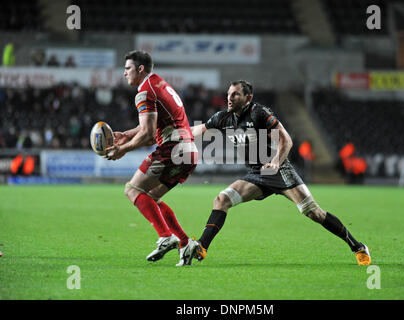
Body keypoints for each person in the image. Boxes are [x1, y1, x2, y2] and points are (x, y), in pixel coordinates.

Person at [190, 80, 371, 265]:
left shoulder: (259, 112)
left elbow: (286, 139)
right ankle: (201, 247)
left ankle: (358, 247)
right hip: (256, 174)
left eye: (236, 94)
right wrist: (173, 134)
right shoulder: (223, 118)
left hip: (279, 170)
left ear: (248, 98)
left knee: (313, 212)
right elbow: (197, 130)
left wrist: (276, 162)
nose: (230, 97)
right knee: (222, 200)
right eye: (229, 93)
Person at [105, 50, 199, 266]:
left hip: (173, 149)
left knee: (132, 189)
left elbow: (148, 135)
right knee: (152, 199)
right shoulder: (159, 84)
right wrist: (127, 135)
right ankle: (185, 244)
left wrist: (124, 149)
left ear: (140, 69)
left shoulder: (144, 91)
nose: (124, 73)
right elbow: (149, 124)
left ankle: (166, 237)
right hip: (189, 151)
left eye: (127, 68)